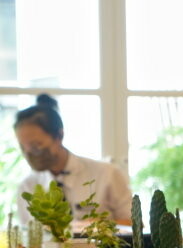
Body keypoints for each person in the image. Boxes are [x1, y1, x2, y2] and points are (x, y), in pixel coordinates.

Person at [14, 94, 132, 225]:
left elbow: (134, 224)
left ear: (59, 136)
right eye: (23, 147)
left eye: (36, 145)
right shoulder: (28, 187)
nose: (29, 153)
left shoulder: (106, 174)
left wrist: (99, 225)